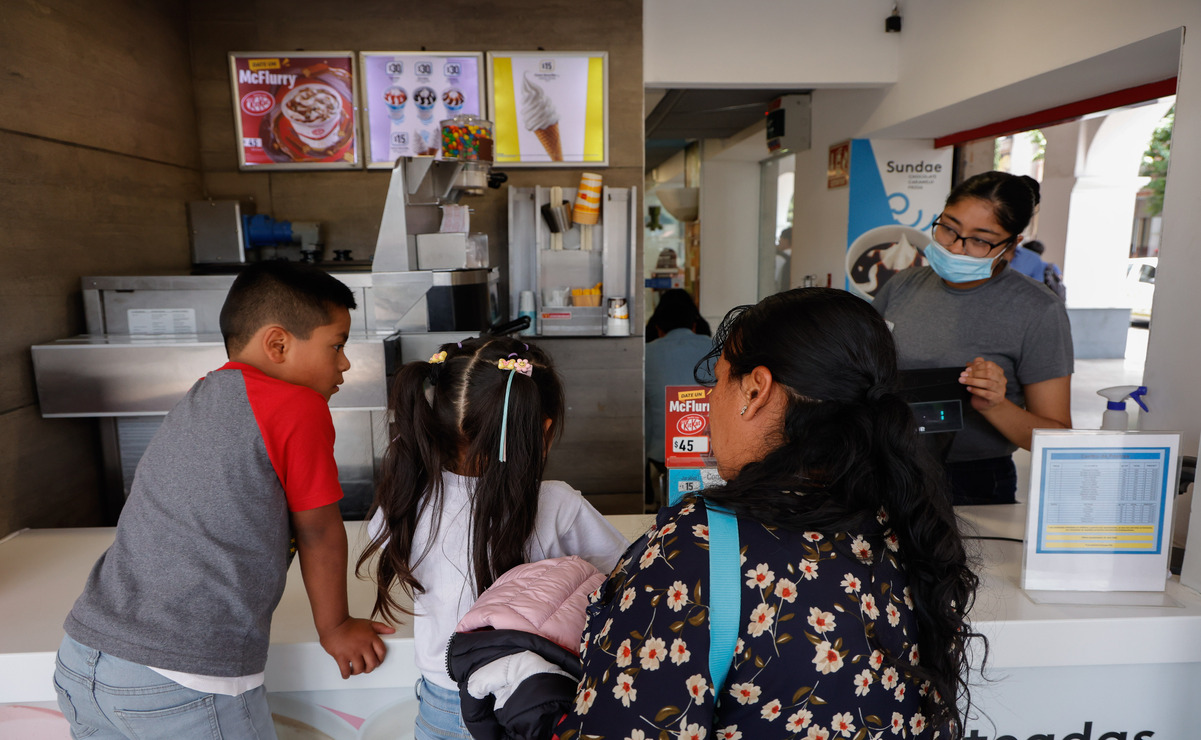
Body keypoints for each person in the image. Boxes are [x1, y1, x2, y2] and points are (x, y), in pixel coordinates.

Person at [556, 288, 982, 739]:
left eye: (717, 381)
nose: (708, 403)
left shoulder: (699, 546)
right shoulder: (908, 522)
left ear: (755, 389)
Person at [53, 261, 394, 740]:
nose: (344, 363)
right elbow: (318, 529)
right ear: (277, 344)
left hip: (84, 655)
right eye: (336, 345)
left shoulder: (204, 391)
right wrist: (335, 626)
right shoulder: (296, 406)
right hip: (184, 679)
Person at [358, 336, 629, 740]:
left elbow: (380, 531)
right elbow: (628, 577)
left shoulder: (406, 498)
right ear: (543, 430)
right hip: (528, 702)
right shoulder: (557, 504)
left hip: (440, 704)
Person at [873, 171, 1074, 505]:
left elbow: (1057, 437)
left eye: (980, 240)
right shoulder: (903, 285)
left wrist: (996, 405)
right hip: (884, 464)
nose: (955, 247)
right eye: (949, 227)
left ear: (1011, 246)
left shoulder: (1038, 311)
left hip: (970, 481)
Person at [644, 289, 714, 509]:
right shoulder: (715, 348)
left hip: (660, 454)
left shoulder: (645, 353)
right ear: (694, 324)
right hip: (712, 450)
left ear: (658, 328)